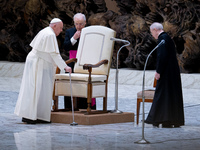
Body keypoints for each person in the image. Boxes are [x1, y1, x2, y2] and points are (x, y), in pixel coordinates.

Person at [14, 18, 72, 124]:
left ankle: (38, 115)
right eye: (60, 28)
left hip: (38, 61)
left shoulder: (45, 31)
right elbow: (54, 54)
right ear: (54, 26)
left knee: (40, 89)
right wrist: (65, 67)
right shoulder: (50, 34)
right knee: (35, 88)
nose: (61, 31)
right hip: (38, 62)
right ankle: (30, 116)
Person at [144, 22, 185, 128]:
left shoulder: (162, 39)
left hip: (166, 73)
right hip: (172, 72)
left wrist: (158, 71)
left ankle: (157, 119)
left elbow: (162, 56)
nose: (152, 34)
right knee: (170, 95)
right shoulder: (167, 38)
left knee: (162, 94)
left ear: (155, 29)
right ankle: (170, 119)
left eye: (151, 32)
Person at [63, 13, 96, 110]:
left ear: (85, 23)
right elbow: (66, 47)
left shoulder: (90, 31)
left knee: (85, 84)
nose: (79, 26)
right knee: (70, 85)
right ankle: (70, 108)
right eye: (77, 24)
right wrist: (74, 38)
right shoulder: (70, 31)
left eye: (81, 24)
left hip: (86, 62)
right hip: (72, 62)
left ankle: (85, 107)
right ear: (74, 23)